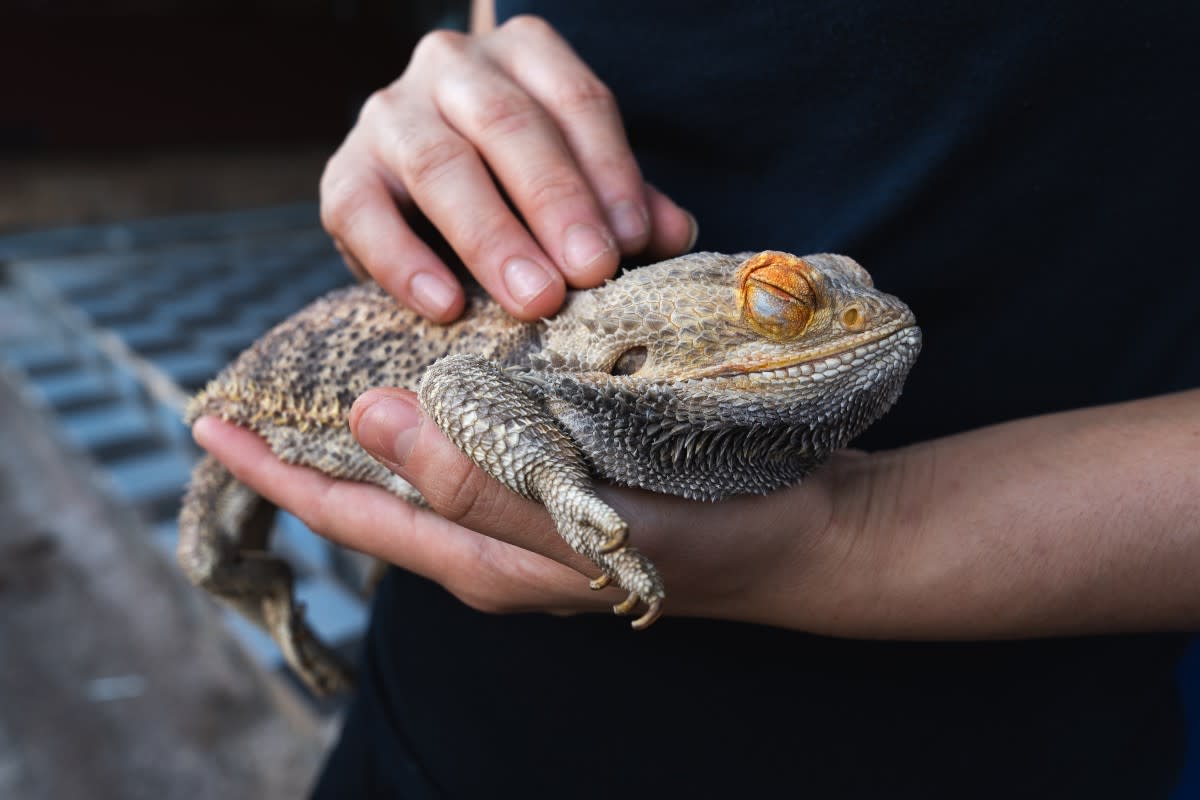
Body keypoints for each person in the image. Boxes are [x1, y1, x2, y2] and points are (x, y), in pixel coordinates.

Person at [194, 2, 1200, 796]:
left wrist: (860, 526)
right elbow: (461, 381)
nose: (877, 316)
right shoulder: (580, 368)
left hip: (1005, 741)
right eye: (783, 301)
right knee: (217, 521)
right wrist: (476, 74)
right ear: (635, 354)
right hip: (442, 708)